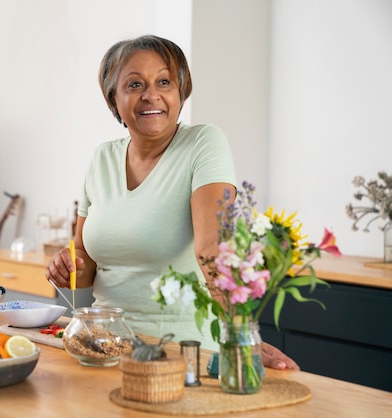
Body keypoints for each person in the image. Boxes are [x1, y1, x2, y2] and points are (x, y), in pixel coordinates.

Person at [45, 35, 297, 370]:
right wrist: (66, 264)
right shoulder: (101, 158)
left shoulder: (203, 144)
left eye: (164, 81)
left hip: (185, 353)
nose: (151, 94)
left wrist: (240, 334)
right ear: (113, 99)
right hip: (104, 346)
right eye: (135, 84)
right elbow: (86, 265)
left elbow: (213, 251)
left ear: (180, 91)